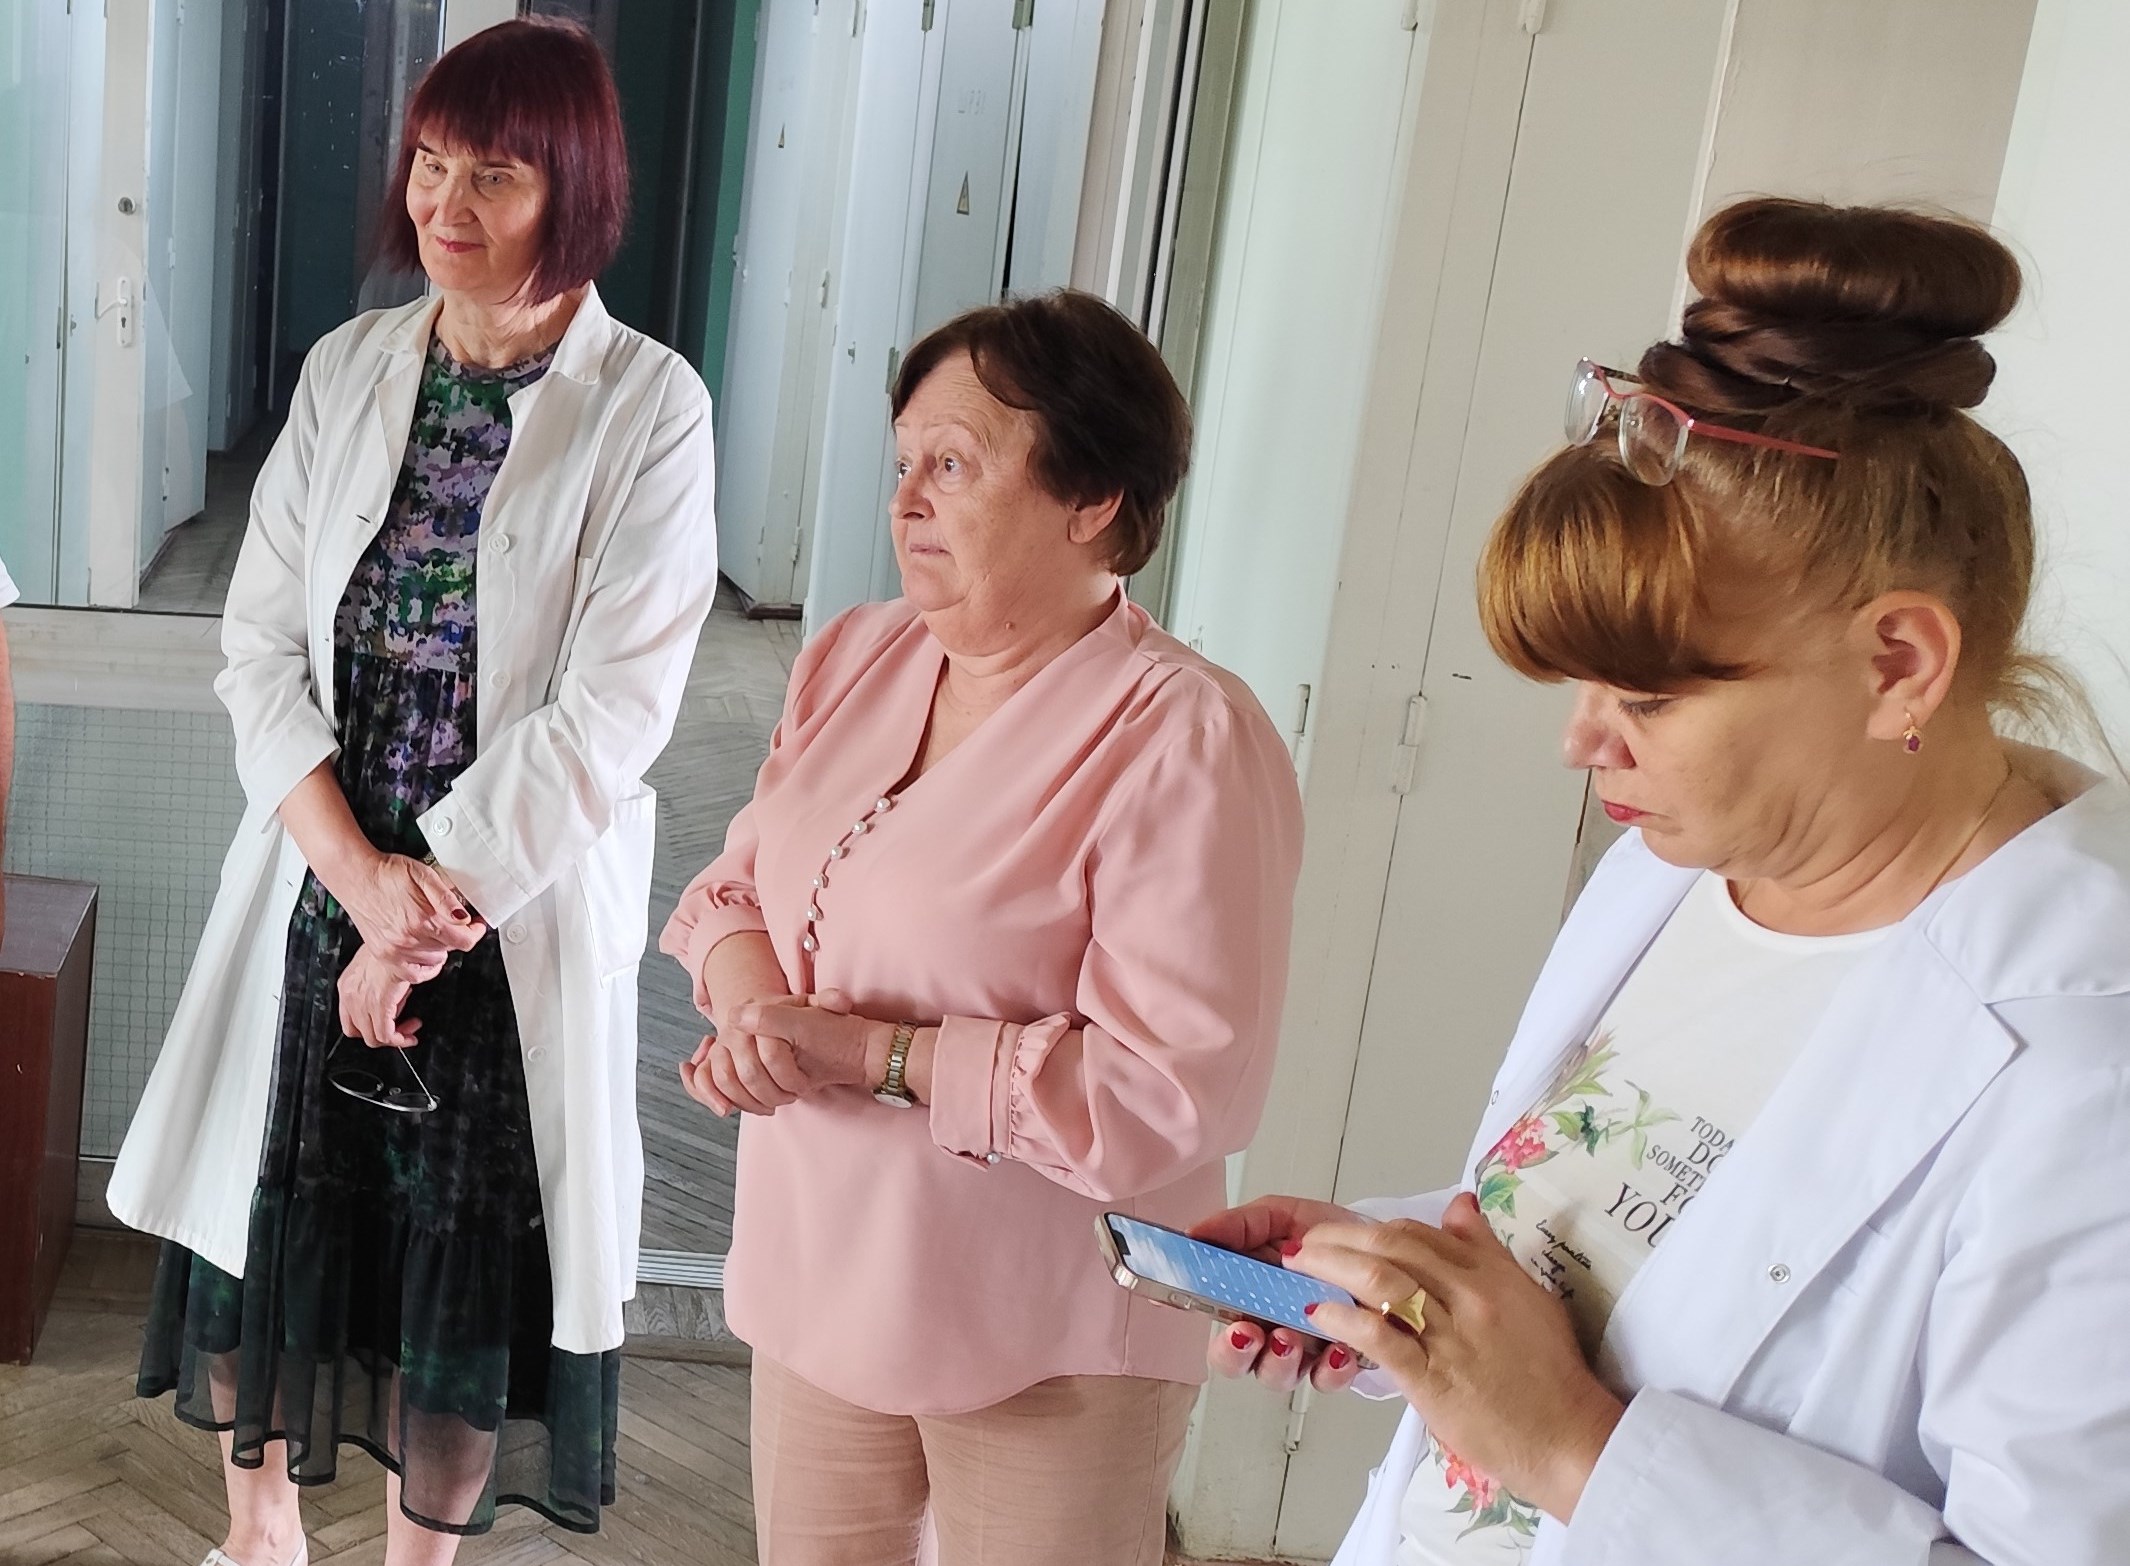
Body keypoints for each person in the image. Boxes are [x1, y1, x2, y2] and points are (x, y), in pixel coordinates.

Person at [1202, 197, 2130, 1565]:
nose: (1582, 742)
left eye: (1644, 695)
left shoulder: (2084, 1064)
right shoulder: (1676, 868)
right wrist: (1395, 1274)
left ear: (1897, 665)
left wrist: (1575, 1447)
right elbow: (1654, 1255)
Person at [109, 20, 719, 1565]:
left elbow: (608, 715)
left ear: (573, 190)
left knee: (449, 1260)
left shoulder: (648, 406)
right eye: (432, 163)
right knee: (275, 1215)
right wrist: (359, 883)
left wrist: (423, 910)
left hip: (496, 908)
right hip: (327, 865)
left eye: (494, 173)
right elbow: (258, 649)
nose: (446, 201)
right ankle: (260, 1534)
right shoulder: (352, 366)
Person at [661, 289, 1306, 1566]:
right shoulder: (856, 654)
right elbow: (737, 887)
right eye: (903, 462)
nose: (905, 500)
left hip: (1050, 1330)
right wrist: (753, 1024)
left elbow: (1169, 1093)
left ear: (1093, 498)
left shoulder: (1183, 735)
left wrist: (868, 1056)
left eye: (951, 465)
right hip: (820, 1276)